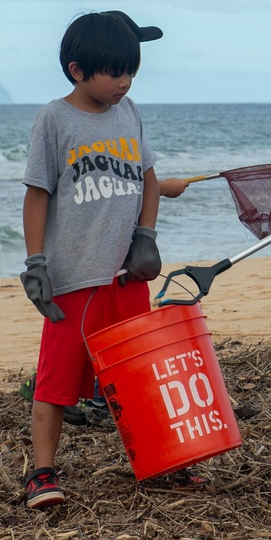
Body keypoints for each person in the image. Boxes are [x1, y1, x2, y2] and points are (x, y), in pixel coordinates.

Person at [19, 10, 165, 509]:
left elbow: (147, 177)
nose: (125, 82)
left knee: (138, 375)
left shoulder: (130, 112)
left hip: (126, 276)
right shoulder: (54, 119)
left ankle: (160, 459)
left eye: (132, 72)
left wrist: (146, 235)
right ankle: (41, 473)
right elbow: (38, 194)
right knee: (55, 381)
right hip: (73, 276)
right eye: (115, 73)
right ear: (78, 70)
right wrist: (35, 263)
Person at [17, 175, 190, 425]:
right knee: (87, 336)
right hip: (86, 264)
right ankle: (54, 388)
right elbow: (100, 189)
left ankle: (90, 395)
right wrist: (162, 188)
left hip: (115, 260)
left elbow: (115, 185)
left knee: (106, 336)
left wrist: (156, 188)